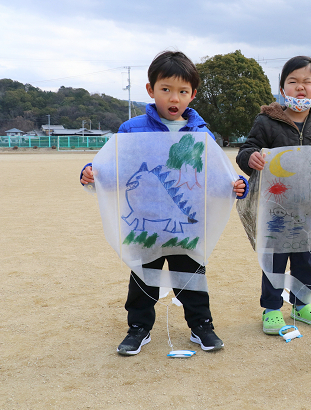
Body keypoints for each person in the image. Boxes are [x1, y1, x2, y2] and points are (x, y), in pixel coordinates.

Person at [80, 50, 248, 356]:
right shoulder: (132, 130)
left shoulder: (200, 133)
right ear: (151, 89)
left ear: (192, 94)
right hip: (144, 222)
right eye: (166, 89)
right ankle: (139, 328)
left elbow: (216, 175)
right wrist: (91, 172)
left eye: (182, 91)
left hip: (187, 224)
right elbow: (115, 169)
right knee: (143, 276)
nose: (174, 98)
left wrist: (238, 184)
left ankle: (202, 326)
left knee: (192, 275)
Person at [236, 55, 311, 336]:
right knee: (274, 259)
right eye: (293, 82)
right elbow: (247, 150)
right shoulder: (266, 122)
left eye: (307, 82)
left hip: (310, 209)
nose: (300, 88)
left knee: (306, 258)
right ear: (282, 89)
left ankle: (302, 306)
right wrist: (250, 158)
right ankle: (272, 309)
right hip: (274, 207)